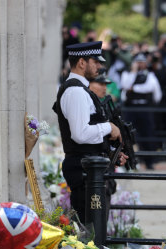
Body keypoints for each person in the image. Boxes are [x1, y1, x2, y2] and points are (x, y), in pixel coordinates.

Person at [53, 41, 126, 224]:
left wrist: (111, 152)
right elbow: (80, 134)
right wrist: (109, 127)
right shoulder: (76, 91)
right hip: (85, 172)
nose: (99, 66)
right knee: (91, 231)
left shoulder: (80, 89)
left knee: (94, 230)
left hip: (90, 170)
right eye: (96, 62)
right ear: (82, 63)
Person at [121, 53, 162, 170]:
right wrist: (133, 72)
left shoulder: (150, 75)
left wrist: (134, 89)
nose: (140, 64)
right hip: (131, 108)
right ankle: (128, 162)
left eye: (142, 62)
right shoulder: (127, 74)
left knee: (147, 134)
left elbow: (151, 88)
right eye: (137, 62)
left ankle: (149, 161)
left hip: (145, 108)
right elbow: (125, 85)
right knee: (128, 135)